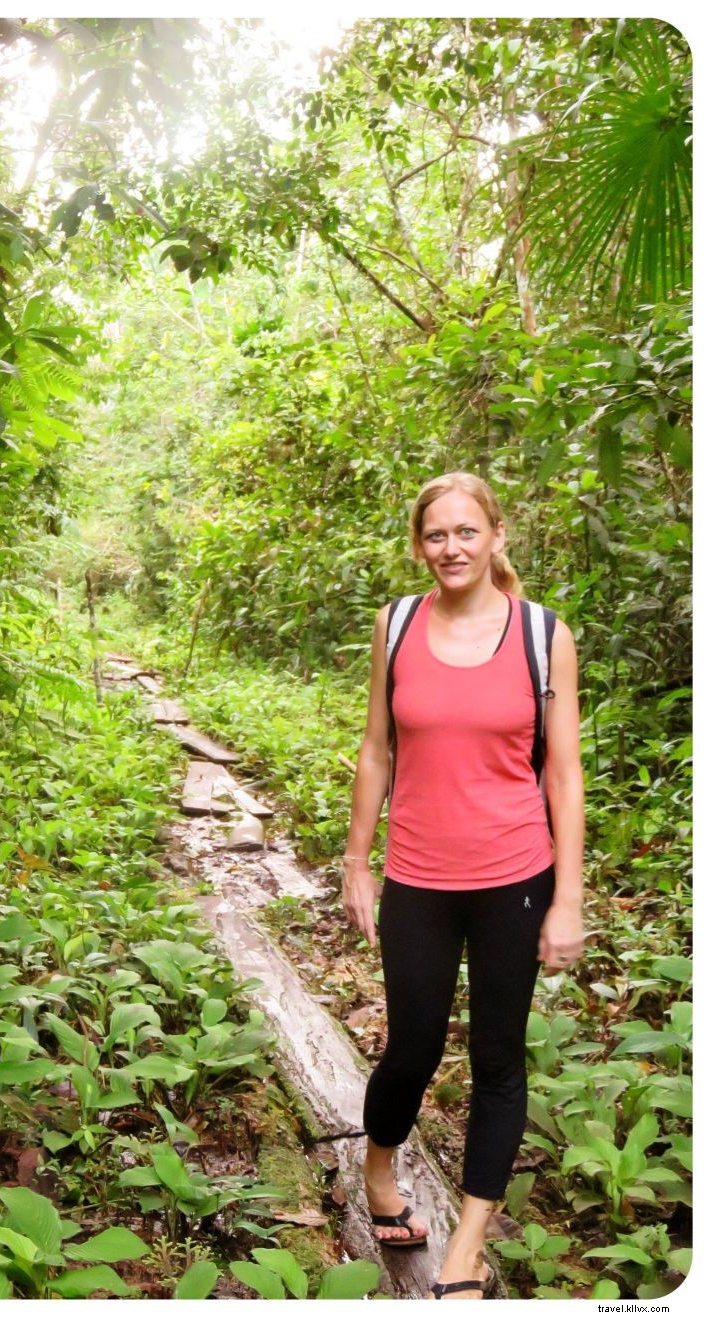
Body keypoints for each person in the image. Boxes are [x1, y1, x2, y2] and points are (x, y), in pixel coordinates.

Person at [340, 472, 585, 1299]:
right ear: (420, 544)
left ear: (496, 535)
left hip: (515, 874)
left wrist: (570, 898)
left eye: (466, 532)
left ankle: (467, 1242)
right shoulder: (398, 623)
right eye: (436, 534)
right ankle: (377, 1169)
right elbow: (377, 747)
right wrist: (354, 864)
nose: (452, 547)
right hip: (416, 873)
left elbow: (564, 777)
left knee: (497, 1061)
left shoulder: (543, 635)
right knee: (410, 1047)